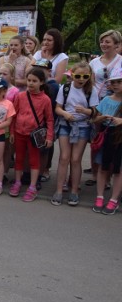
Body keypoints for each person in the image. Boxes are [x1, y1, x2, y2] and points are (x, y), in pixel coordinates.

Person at [51, 62, 98, 206]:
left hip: (82, 126)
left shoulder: (91, 90)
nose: (81, 79)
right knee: (64, 158)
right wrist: (65, 114)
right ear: (72, 75)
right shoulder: (65, 88)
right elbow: (58, 108)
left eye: (85, 76)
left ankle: (74, 191)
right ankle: (59, 190)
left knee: (76, 159)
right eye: (78, 76)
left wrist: (86, 111)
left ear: (89, 76)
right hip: (66, 124)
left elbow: (95, 111)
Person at [9, 68, 54, 202]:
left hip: (34, 136)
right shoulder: (20, 96)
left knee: (34, 160)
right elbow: (14, 115)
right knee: (19, 159)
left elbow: (50, 119)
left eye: (34, 81)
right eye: (29, 80)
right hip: (19, 132)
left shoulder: (45, 99)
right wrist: (11, 131)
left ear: (41, 82)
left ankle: (32, 187)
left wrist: (49, 136)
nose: (30, 83)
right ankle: (17, 182)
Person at [91, 68, 122, 215]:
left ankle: (114, 199)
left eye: (119, 82)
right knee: (103, 167)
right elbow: (95, 118)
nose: (116, 85)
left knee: (118, 169)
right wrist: (101, 118)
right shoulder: (106, 99)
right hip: (108, 136)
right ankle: (99, 196)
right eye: (113, 82)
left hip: (120, 138)